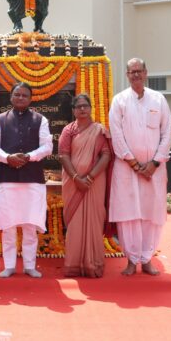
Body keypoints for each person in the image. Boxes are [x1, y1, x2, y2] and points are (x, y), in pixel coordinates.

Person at [108, 58, 171, 276]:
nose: (136, 74)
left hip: (154, 170)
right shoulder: (119, 101)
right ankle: (131, 260)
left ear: (146, 73)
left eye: (139, 70)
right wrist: (134, 164)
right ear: (127, 75)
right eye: (131, 71)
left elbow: (166, 133)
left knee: (151, 214)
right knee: (129, 215)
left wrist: (154, 163)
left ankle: (146, 259)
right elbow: (116, 134)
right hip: (127, 168)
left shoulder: (159, 99)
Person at [0, 82, 53, 278]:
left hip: (32, 180)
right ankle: (9, 266)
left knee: (30, 226)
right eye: (17, 94)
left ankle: (29, 266)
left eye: (25, 95)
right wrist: (7, 158)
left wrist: (28, 157)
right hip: (6, 179)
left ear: (31, 99)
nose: (21, 98)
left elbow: (47, 147)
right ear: (11, 97)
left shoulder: (40, 120)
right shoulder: (0, 120)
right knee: (8, 226)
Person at [58, 93, 112, 278]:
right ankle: (73, 264)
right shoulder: (68, 131)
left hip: (94, 182)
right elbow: (63, 155)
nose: (82, 109)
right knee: (74, 223)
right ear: (73, 110)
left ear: (90, 108)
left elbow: (106, 155)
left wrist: (90, 177)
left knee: (94, 220)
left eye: (85, 106)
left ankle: (93, 264)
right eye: (78, 106)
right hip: (73, 183)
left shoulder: (99, 130)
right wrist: (76, 178)